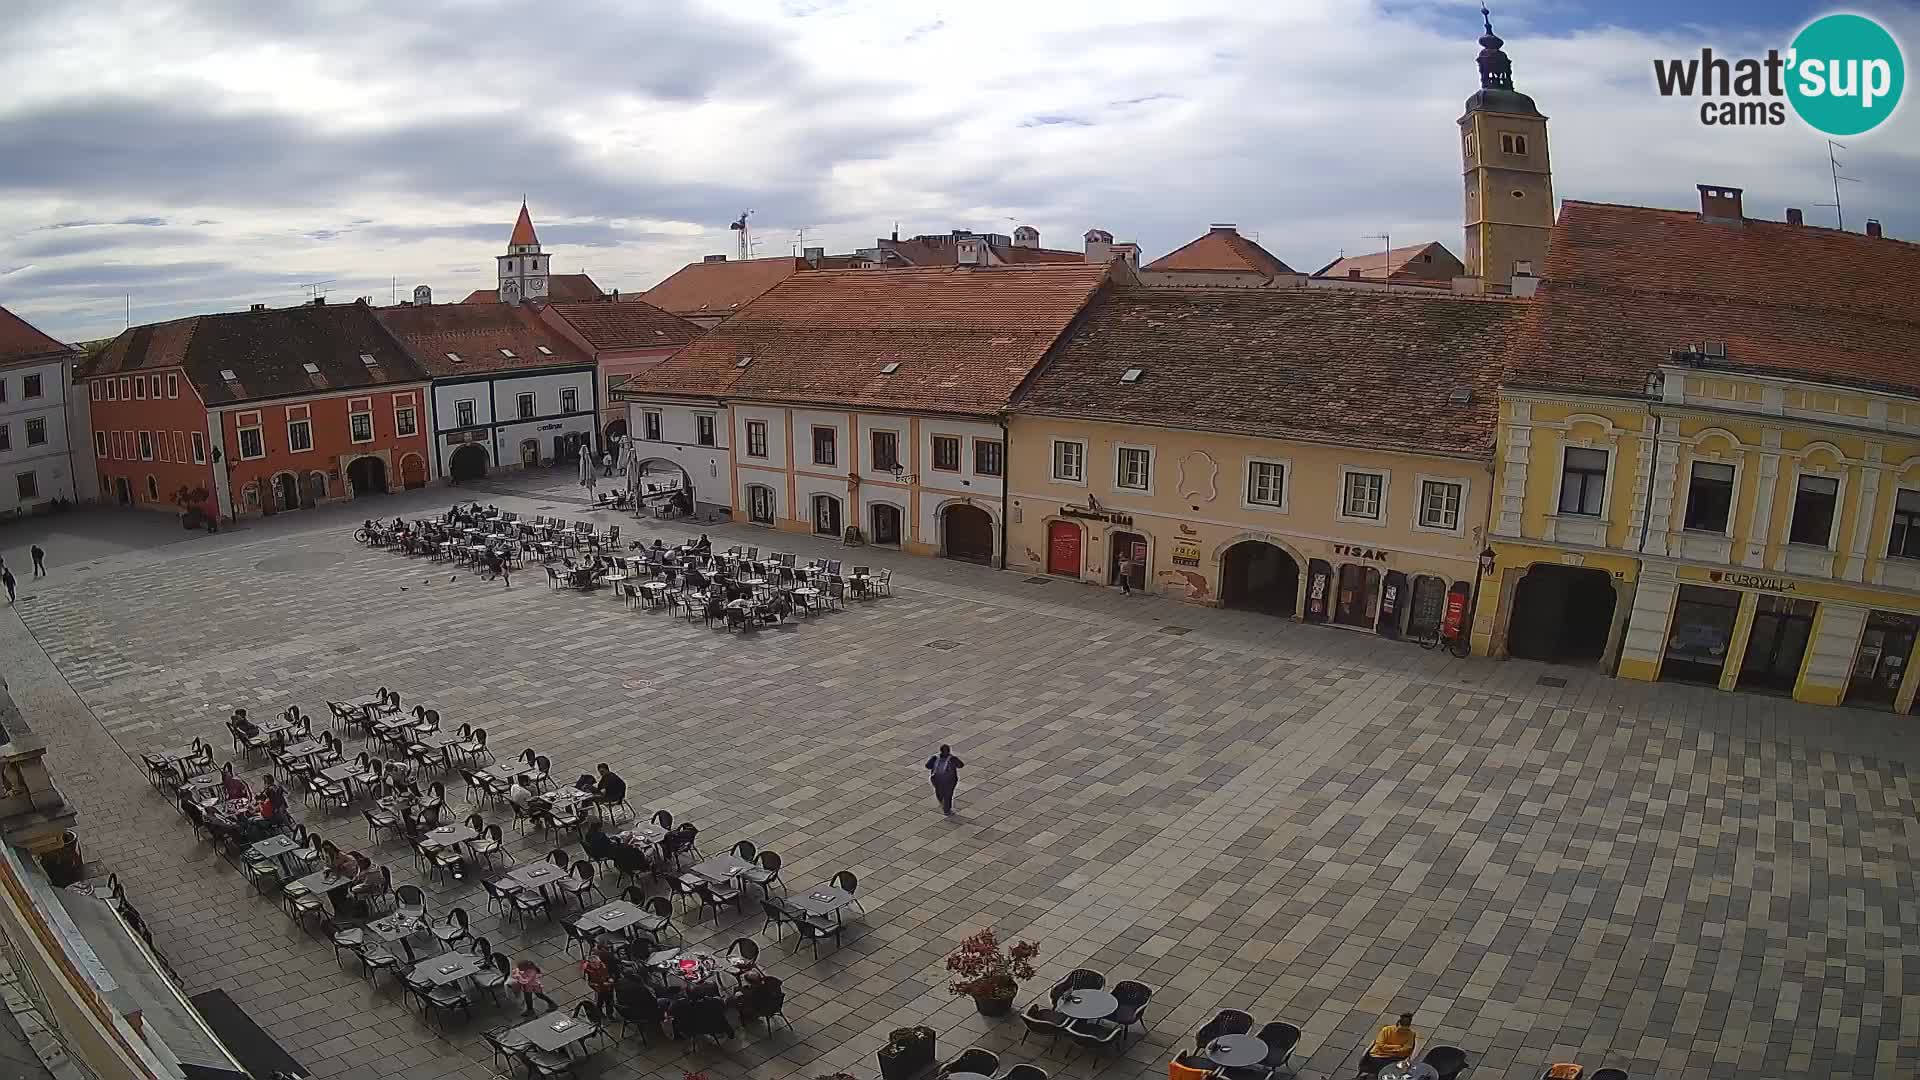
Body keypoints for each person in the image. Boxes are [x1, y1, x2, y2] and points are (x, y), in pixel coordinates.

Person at [926, 744, 964, 816]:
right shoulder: (952, 759)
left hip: (938, 779)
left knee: (940, 793)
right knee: (947, 794)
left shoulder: (935, 757)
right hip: (948, 780)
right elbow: (961, 765)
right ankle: (946, 809)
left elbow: (928, 766)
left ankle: (944, 805)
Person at [581, 947, 616, 1011]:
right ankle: (599, 1012)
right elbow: (590, 983)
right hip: (600, 990)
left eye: (598, 963)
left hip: (608, 987)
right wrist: (601, 984)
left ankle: (609, 1013)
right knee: (600, 1002)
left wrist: (610, 978)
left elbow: (607, 973)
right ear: (591, 964)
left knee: (609, 1002)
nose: (598, 965)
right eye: (596, 964)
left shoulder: (602, 965)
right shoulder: (590, 971)